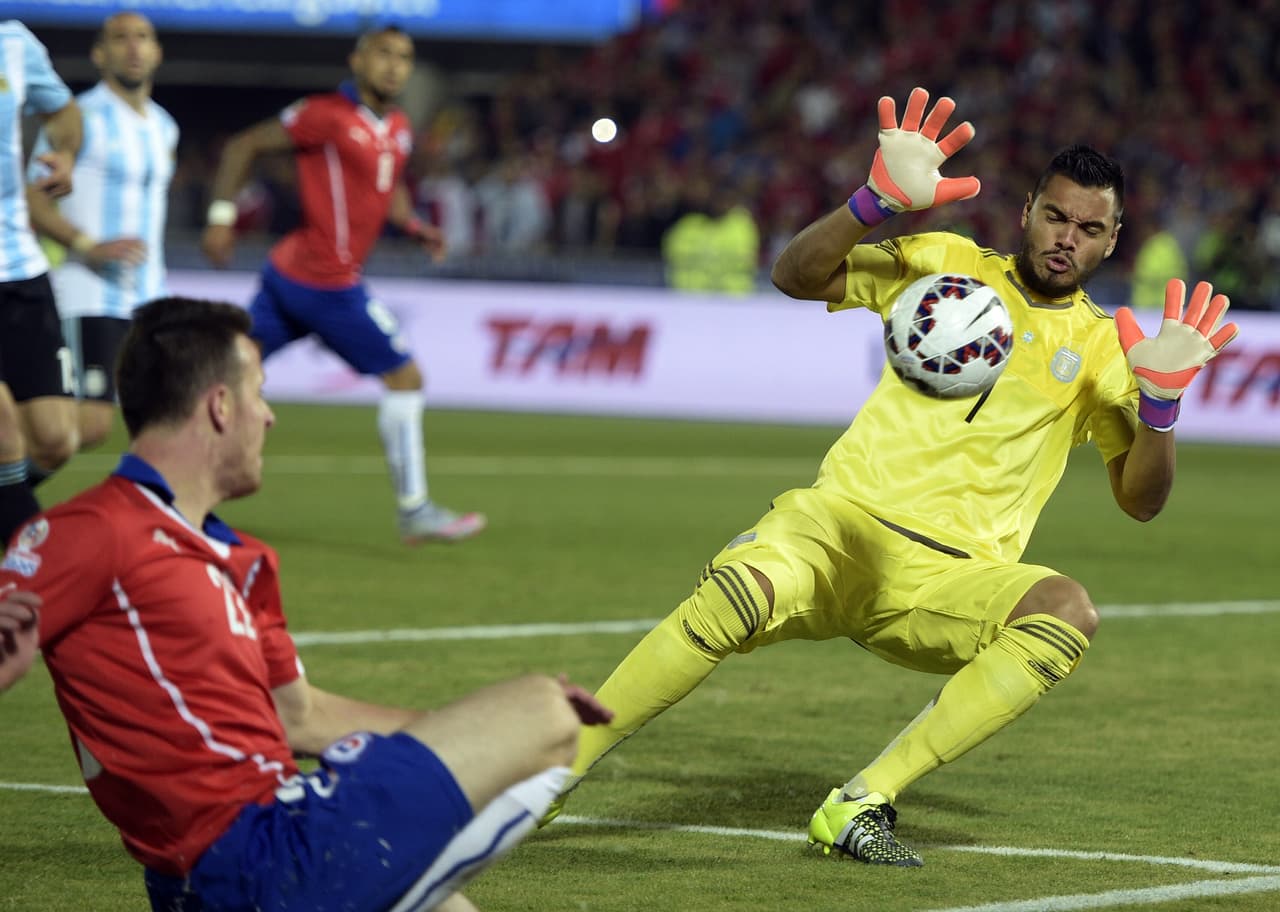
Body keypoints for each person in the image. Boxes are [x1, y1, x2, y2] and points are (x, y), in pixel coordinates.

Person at [542, 87, 1239, 866]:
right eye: (1055, 216)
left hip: (952, 581)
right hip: (838, 529)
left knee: (1067, 612)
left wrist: (1163, 407)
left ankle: (861, 802)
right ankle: (554, 774)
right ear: (1027, 212)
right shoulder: (943, 261)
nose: (1065, 239)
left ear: (1113, 242)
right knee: (737, 595)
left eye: (1088, 229)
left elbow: (1142, 503)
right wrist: (870, 203)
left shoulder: (1111, 349)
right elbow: (797, 275)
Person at [0, 296, 613, 910]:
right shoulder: (93, 529)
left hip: (280, 852)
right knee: (543, 709)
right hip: (251, 857)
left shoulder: (243, 559)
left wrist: (472, 734)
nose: (268, 417)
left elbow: (302, 717)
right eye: (259, 394)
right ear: (219, 406)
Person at [200, 24, 484, 545]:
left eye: (404, 57)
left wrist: (414, 226)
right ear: (357, 60)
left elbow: (388, 187)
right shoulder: (323, 114)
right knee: (405, 378)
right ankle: (413, 507)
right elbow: (245, 144)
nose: (395, 65)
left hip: (288, 274)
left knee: (231, 378)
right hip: (324, 280)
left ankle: (173, 496)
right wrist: (220, 216)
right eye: (384, 54)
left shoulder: (398, 126)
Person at [26, 12, 177, 453]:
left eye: (143, 38)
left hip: (149, 297)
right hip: (89, 292)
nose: (133, 47)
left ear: (157, 53)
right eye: (120, 38)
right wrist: (88, 246)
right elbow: (34, 197)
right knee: (84, 427)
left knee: (160, 422)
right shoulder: (79, 118)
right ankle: (11, 499)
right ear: (99, 53)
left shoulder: (165, 126)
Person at [0, 21, 82, 545]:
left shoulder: (15, 43)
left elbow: (64, 111)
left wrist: (65, 152)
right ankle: (32, 574)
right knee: (4, 432)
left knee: (56, 441)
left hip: (21, 270)